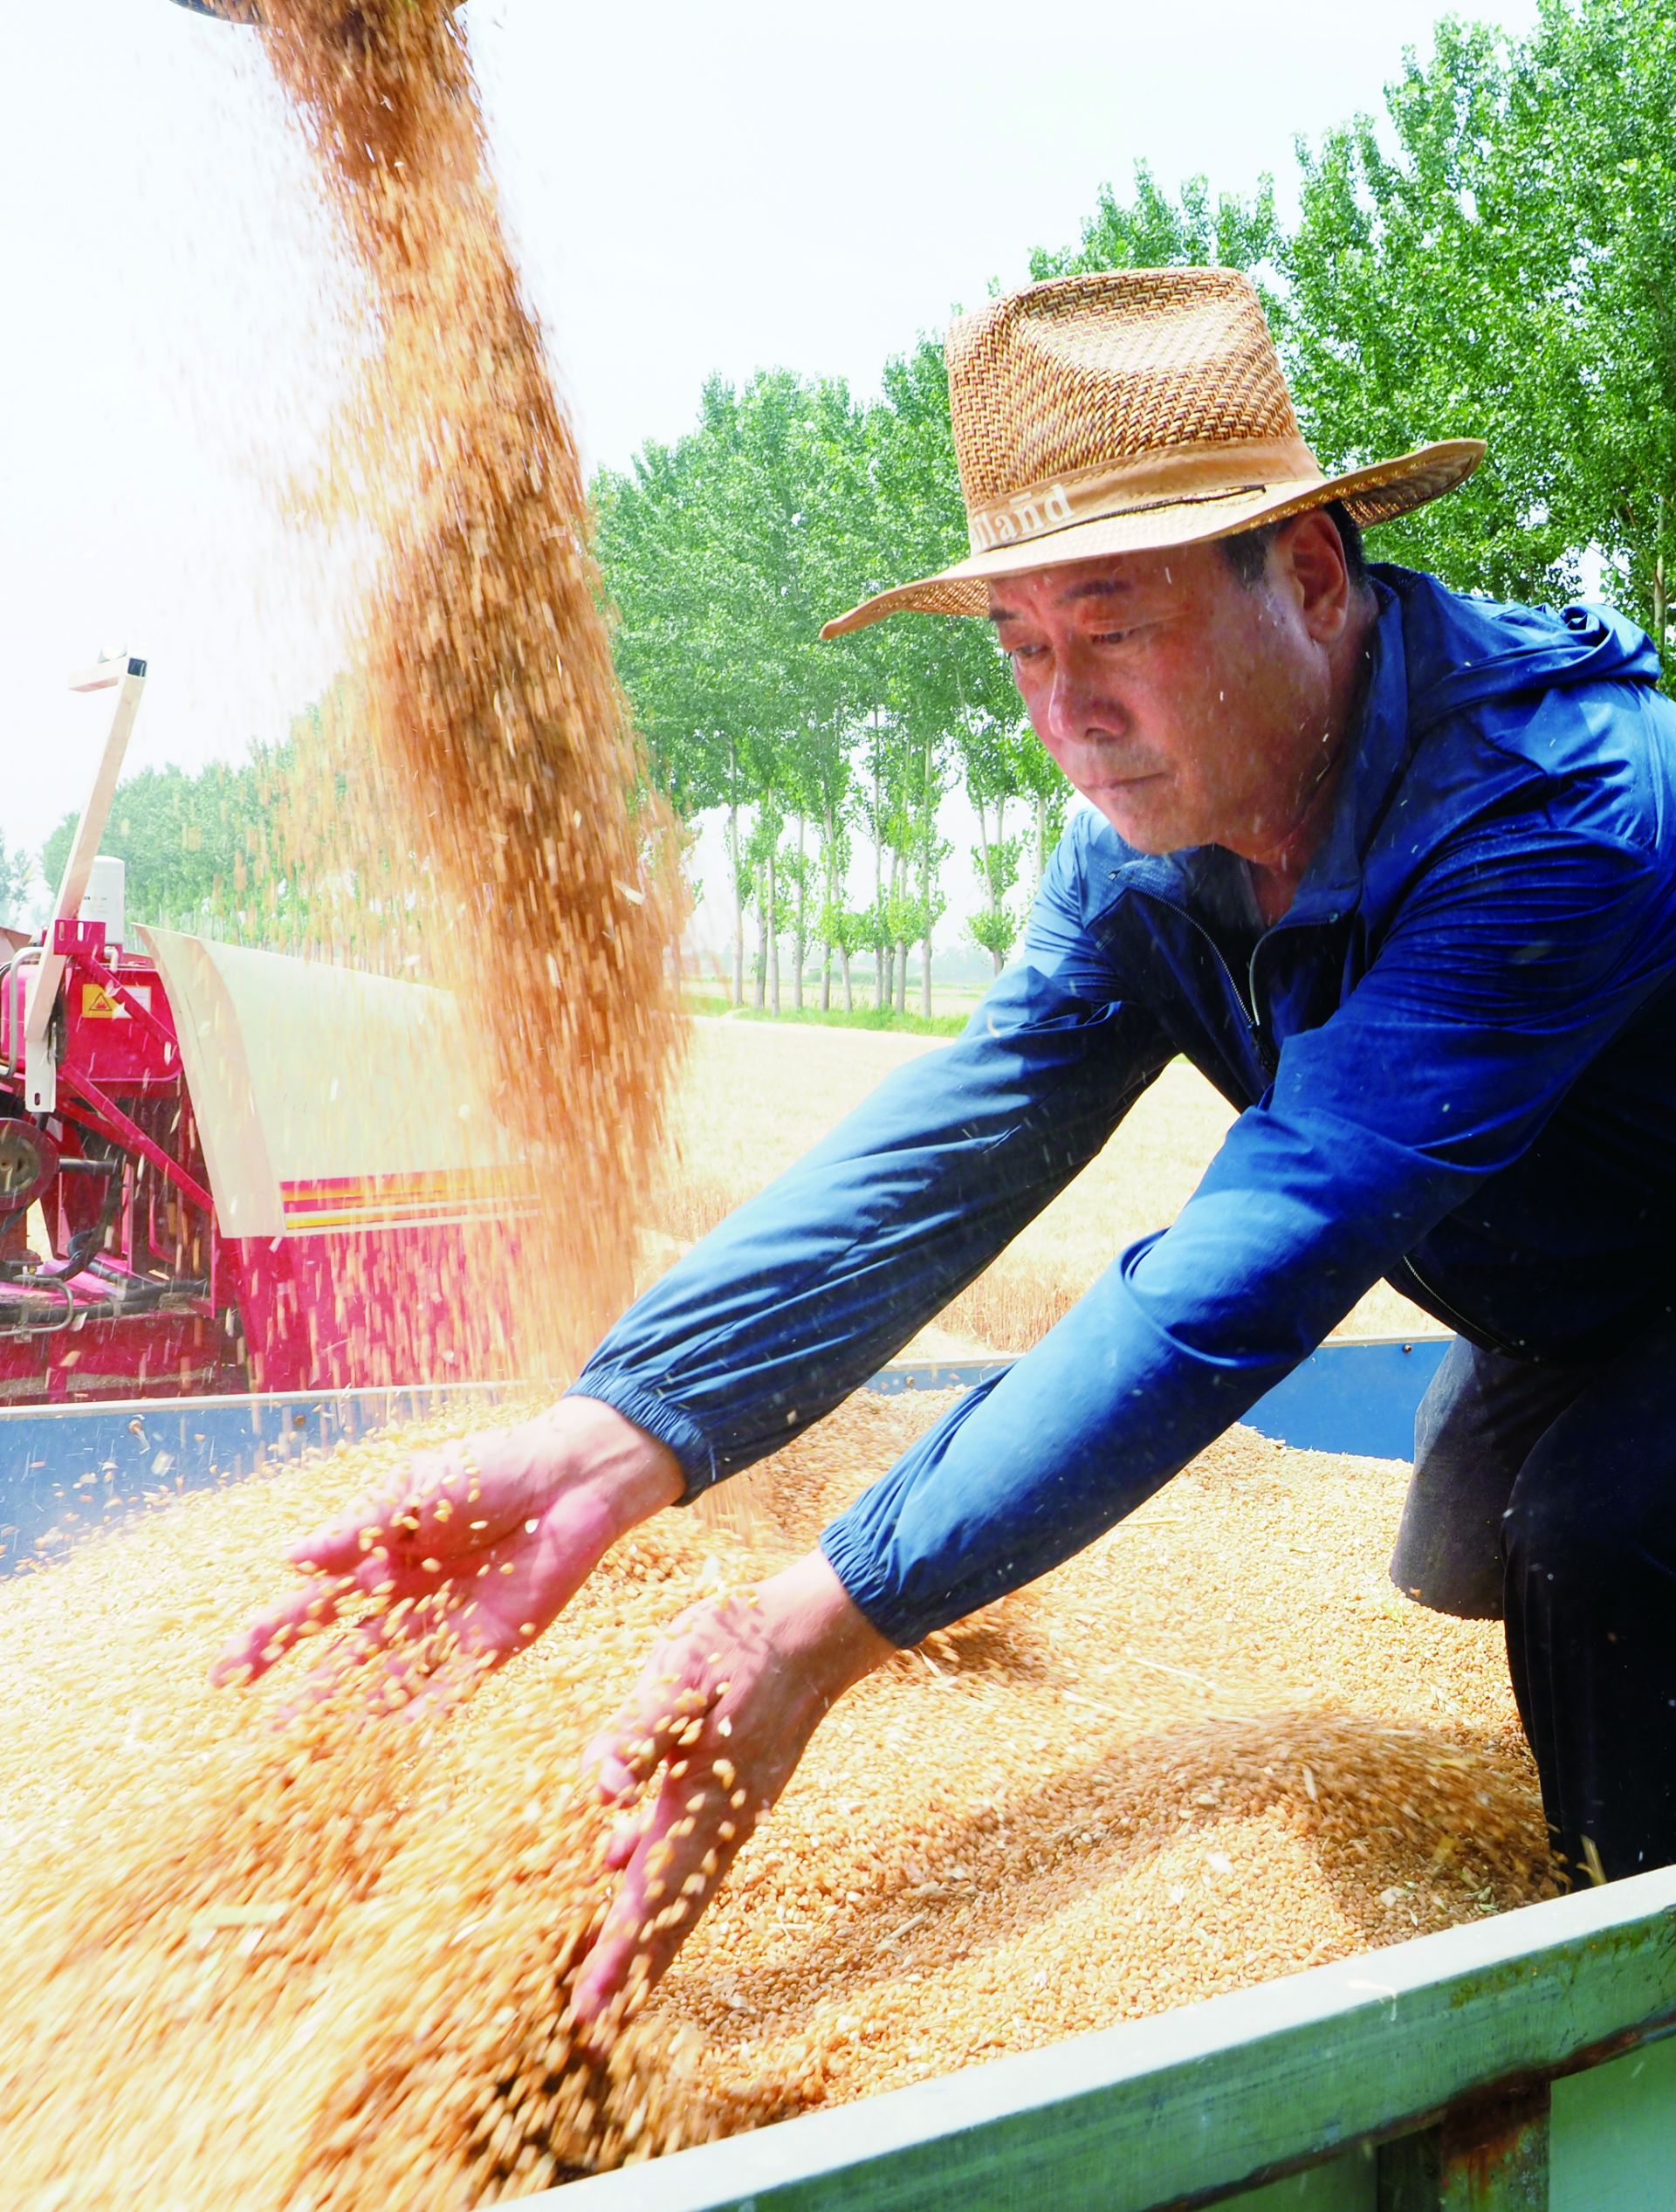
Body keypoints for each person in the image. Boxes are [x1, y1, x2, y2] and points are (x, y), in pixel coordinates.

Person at [217, 267, 1676, 2029]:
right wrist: (616, 1434)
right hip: (1574, 1282)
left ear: (1306, 573)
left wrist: (813, 1624)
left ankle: (1630, 2008)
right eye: (1022, 642)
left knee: (1602, 1527)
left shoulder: (1562, 817)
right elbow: (957, 1145)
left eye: (1115, 624)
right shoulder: (1154, 846)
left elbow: (1254, 1264)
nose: (1065, 709)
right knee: (1517, 1538)